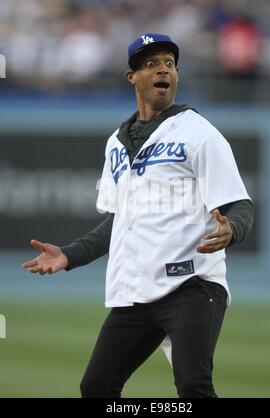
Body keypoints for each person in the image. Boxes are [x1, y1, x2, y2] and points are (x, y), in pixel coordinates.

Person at [23, 33, 254, 398]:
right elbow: (119, 221)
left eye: (170, 63)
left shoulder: (199, 133)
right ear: (132, 76)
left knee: (193, 386)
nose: (163, 69)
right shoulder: (116, 143)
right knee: (96, 387)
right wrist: (69, 255)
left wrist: (234, 230)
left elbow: (239, 204)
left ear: (176, 75)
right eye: (151, 64)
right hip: (136, 291)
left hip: (192, 286)